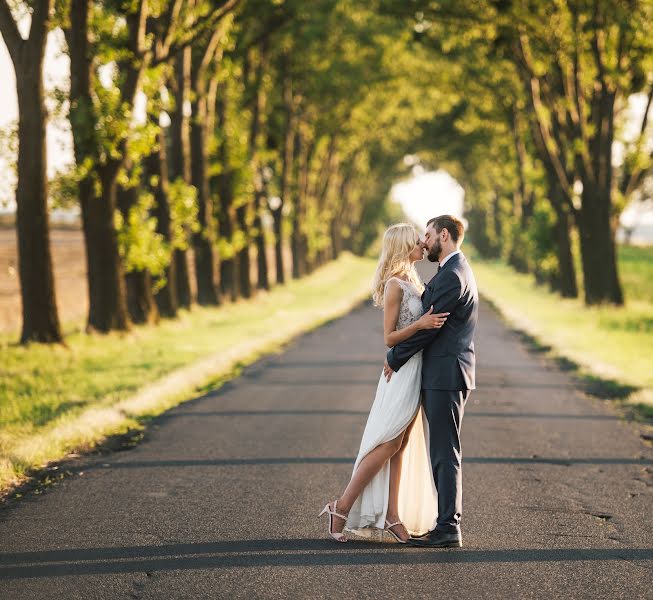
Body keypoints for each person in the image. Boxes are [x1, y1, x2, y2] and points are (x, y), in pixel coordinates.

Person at [319, 223, 447, 543]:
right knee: (389, 442)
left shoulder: (413, 280)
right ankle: (341, 506)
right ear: (403, 246)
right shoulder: (394, 285)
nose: (422, 245)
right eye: (417, 241)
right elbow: (389, 338)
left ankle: (392, 515)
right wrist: (421, 323)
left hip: (417, 370)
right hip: (402, 370)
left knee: (400, 446)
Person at [384, 214, 478, 548]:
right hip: (442, 374)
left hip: (446, 375)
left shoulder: (453, 276)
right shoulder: (450, 270)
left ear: (444, 235)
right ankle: (445, 524)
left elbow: (430, 326)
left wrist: (394, 357)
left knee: (444, 451)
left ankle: (448, 527)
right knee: (441, 449)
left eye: (427, 235)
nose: (424, 242)